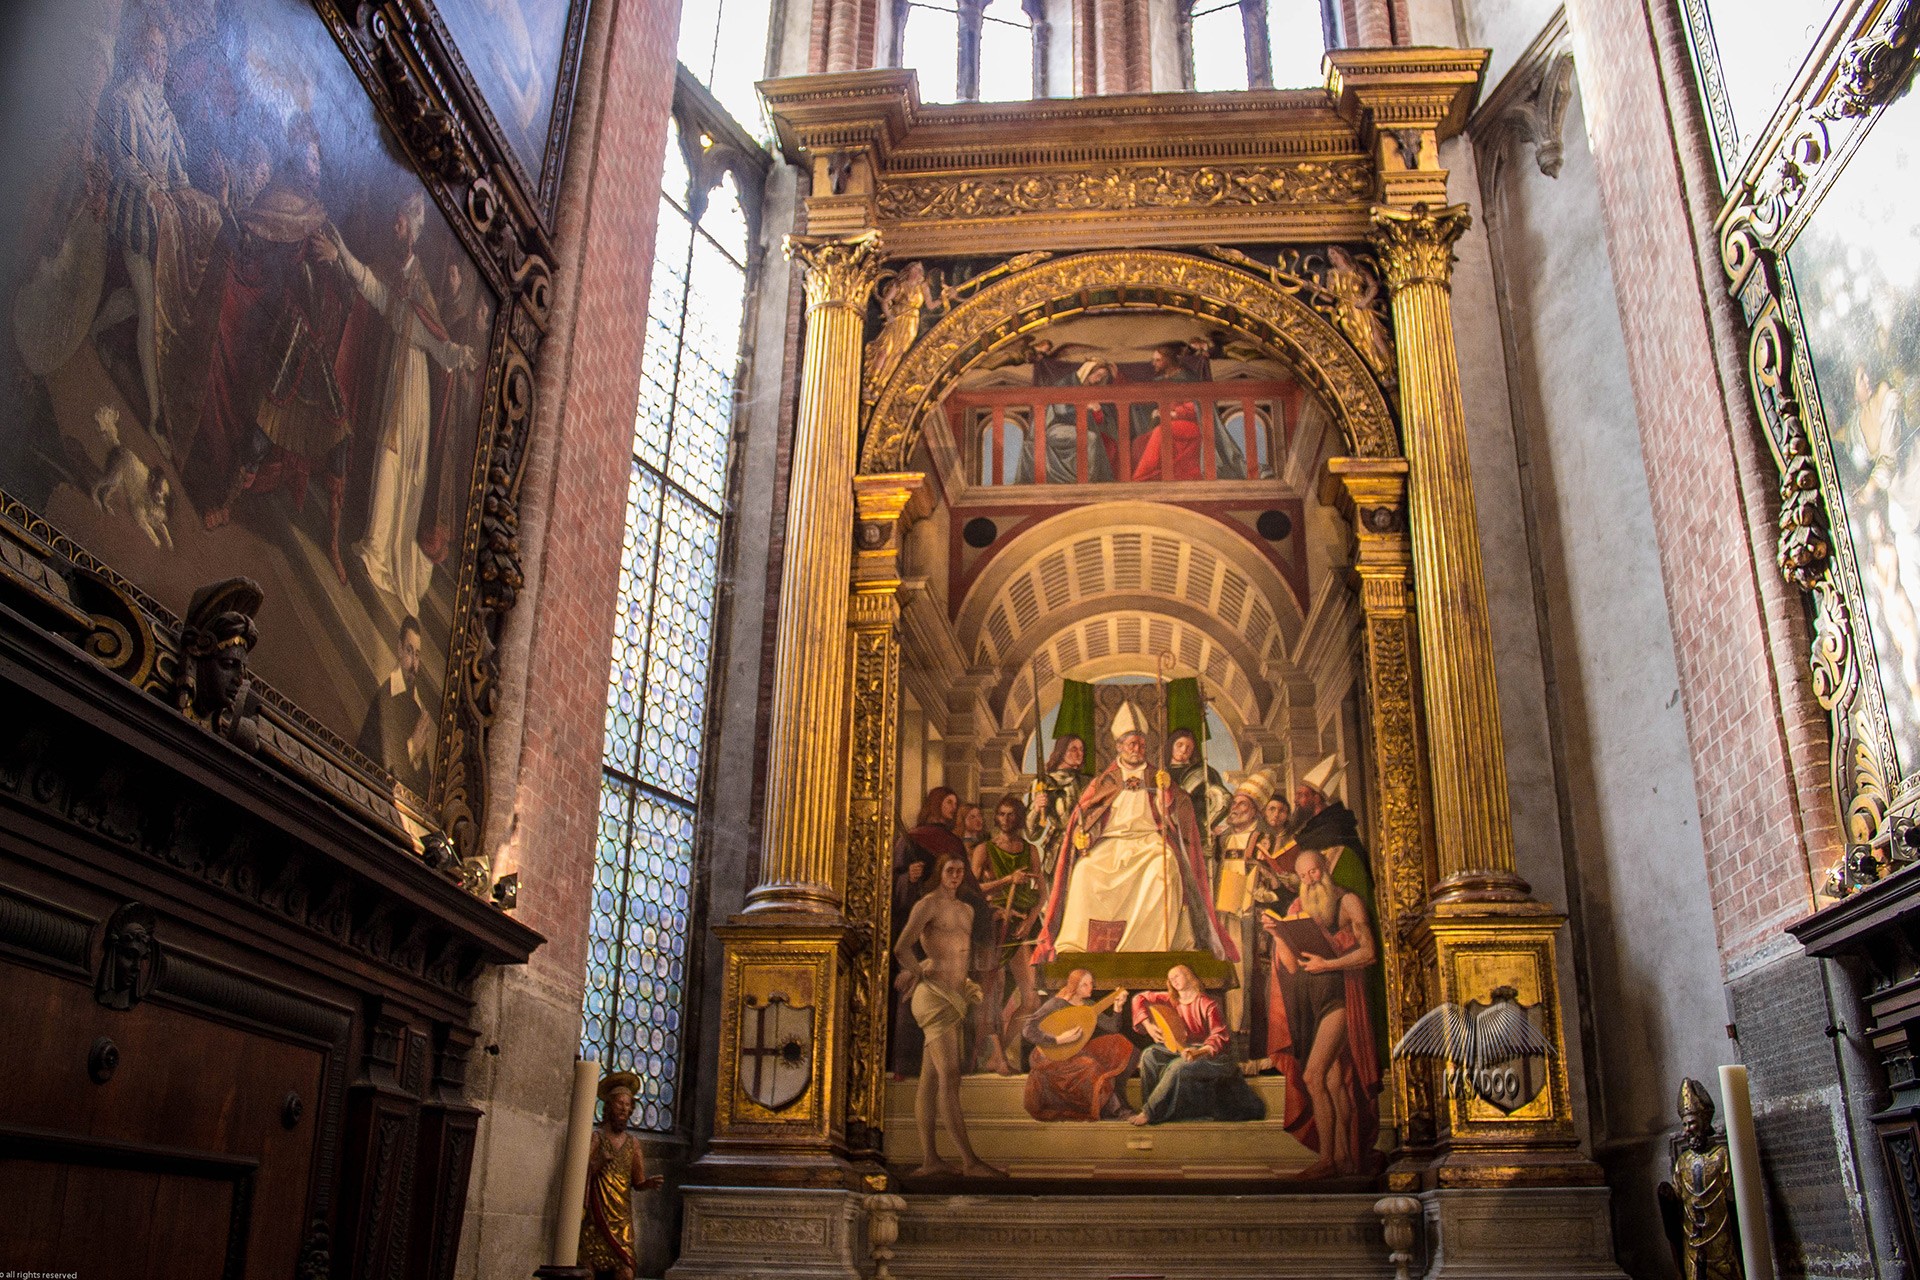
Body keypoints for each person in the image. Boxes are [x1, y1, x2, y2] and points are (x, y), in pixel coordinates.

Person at [334, 192, 477, 613]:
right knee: (386, 458)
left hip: (412, 387)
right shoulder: (396, 276)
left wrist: (457, 354)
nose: (395, 228)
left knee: (397, 462)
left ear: (412, 233)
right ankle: (376, 549)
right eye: (395, 221)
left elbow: (434, 338)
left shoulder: (418, 284)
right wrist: (342, 250)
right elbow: (373, 289)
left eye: (401, 223)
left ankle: (380, 553)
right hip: (394, 377)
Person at [94, 18, 221, 449]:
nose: (161, 62)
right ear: (137, 53)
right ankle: (153, 419)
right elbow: (127, 159)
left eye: (165, 55)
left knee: (142, 299)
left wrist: (191, 198)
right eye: (153, 52)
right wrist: (153, 191)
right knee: (150, 309)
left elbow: (177, 171)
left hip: (161, 227)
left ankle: (95, 330)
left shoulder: (164, 111)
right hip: (132, 216)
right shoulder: (124, 99)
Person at [1034, 707, 1236, 961]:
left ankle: (1154, 948)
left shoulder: (1158, 776)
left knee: (1164, 871)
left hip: (1150, 843)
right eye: (1131, 744)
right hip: (1109, 844)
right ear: (1119, 746)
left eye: (1141, 744)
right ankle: (1076, 944)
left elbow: (1180, 817)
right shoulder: (1104, 781)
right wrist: (1080, 836)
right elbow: (1083, 815)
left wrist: (1167, 797)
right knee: (1085, 872)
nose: (1136, 749)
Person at [1262, 848, 1382, 1177]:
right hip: (1313, 1003)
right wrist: (1277, 934)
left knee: (1313, 1075)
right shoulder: (1299, 908)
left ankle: (1327, 1159)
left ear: (1325, 867)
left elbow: (1369, 953)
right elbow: (1290, 964)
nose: (1310, 880)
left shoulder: (1348, 902)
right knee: (1333, 1081)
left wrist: (1327, 963)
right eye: (1302, 876)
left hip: (1342, 999)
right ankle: (1346, 1157)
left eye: (1314, 872)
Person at [893, 853, 1007, 1178]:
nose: (955, 875)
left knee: (930, 1081)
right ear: (939, 873)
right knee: (951, 1077)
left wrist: (967, 983)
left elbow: (960, 955)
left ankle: (930, 1161)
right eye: (949, 870)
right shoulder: (928, 904)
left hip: (954, 997)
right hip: (933, 996)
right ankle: (970, 1161)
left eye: (959, 870)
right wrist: (919, 972)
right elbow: (903, 946)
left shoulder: (967, 910)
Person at [890, 787, 969, 1078]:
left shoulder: (953, 842)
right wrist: (907, 878)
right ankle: (904, 1063)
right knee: (912, 989)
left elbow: (966, 883)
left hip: (947, 925)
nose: (953, 807)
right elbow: (892, 878)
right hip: (919, 916)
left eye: (956, 803)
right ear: (935, 804)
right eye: (949, 802)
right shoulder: (913, 837)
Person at [1128, 965, 1265, 1125]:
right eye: (1170, 978)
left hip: (1211, 1056)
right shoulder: (1171, 1000)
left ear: (1189, 976)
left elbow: (1219, 1036)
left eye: (1177, 976)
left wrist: (1198, 1052)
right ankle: (1156, 1109)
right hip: (1183, 1049)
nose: (1173, 980)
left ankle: (1148, 1112)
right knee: (1149, 1055)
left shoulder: (1208, 1004)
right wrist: (1148, 1026)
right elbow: (1139, 999)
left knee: (1177, 1066)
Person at [972, 794, 1043, 1074]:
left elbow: (1041, 892)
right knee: (992, 992)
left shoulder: (1030, 850)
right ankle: (999, 1058)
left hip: (1020, 926)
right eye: (1001, 814)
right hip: (993, 925)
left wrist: (1030, 921)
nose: (1005, 820)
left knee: (1031, 999)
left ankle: (998, 1051)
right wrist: (1006, 880)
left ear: (1020, 817)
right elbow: (973, 887)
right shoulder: (985, 849)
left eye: (1011, 815)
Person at [577, 1070, 664, 1280]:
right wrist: (598, 1163)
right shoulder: (597, 1138)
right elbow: (579, 1173)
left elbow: (637, 1181)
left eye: (627, 1105)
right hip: (597, 1216)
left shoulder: (633, 1144)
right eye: (619, 1104)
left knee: (626, 1272)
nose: (624, 1109)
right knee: (588, 1271)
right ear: (609, 1107)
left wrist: (648, 1184)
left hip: (621, 1218)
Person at [1021, 969, 1135, 1121]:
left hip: (1075, 1051)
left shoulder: (1088, 1005)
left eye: (1091, 984)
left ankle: (1117, 1105)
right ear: (1074, 986)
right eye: (1084, 985)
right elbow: (1028, 1029)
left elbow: (1112, 1027)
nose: (1090, 988)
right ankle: (1116, 1110)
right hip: (1052, 1056)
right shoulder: (1057, 1004)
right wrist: (1058, 1039)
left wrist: (1118, 1007)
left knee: (1117, 1042)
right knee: (1091, 1065)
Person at [355, 615, 432, 793]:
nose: (413, 663)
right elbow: (370, 760)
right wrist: (412, 749)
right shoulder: (385, 697)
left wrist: (419, 758)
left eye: (417, 655)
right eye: (409, 651)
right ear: (399, 649)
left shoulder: (416, 704)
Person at [1025, 734, 1087, 878]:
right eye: (1073, 749)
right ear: (1061, 752)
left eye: (1081, 749)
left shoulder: (1087, 782)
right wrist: (1036, 808)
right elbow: (1032, 833)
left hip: (1084, 847)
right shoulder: (1045, 782)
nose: (1079, 753)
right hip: (1058, 849)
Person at [1167, 728, 1229, 851]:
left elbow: (1223, 799)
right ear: (1171, 746)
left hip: (1195, 832)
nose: (1184, 750)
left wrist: (1208, 825)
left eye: (1189, 747)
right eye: (1179, 745)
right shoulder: (1160, 773)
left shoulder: (1204, 772)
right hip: (1167, 832)